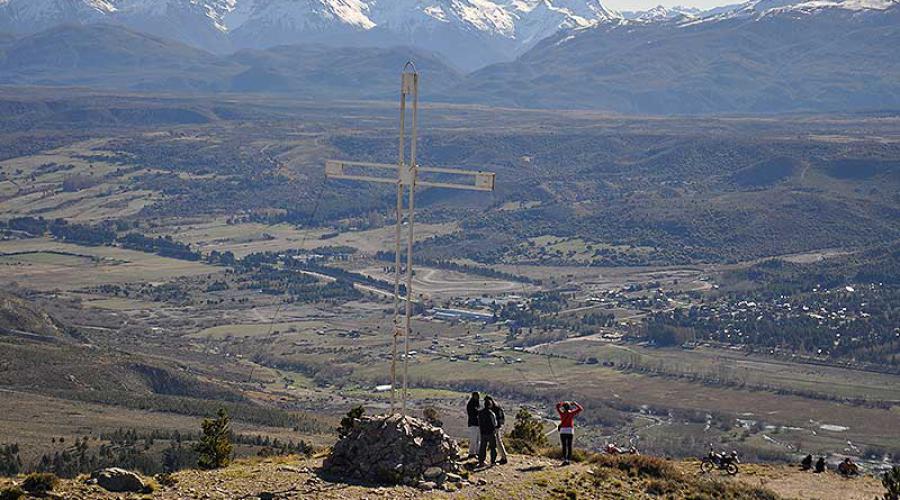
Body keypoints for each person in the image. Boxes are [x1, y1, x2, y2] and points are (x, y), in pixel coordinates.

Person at [556, 400, 584, 465]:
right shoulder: (571, 413)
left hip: (563, 431)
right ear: (569, 407)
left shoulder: (562, 413)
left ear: (564, 407)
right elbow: (580, 409)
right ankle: (568, 460)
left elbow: (557, 406)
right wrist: (574, 403)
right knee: (569, 446)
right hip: (570, 431)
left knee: (564, 446)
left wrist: (562, 403)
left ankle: (565, 459)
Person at [484, 396, 508, 465]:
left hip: (496, 428)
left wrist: (498, 426)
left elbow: (501, 418)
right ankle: (502, 457)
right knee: (496, 443)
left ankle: (504, 458)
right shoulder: (493, 408)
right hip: (492, 428)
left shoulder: (497, 408)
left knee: (498, 442)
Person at [477, 398, 498, 467]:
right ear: (490, 405)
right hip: (490, 432)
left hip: (483, 432)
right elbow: (494, 423)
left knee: (482, 447)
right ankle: (493, 461)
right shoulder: (491, 413)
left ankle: (481, 461)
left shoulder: (480, 413)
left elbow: (479, 422)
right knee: (493, 447)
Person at [466, 392, 480, 459]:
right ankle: (471, 453)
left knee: (478, 440)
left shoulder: (476, 403)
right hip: (473, 423)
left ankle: (478, 452)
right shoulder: (471, 404)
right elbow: (473, 413)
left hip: (477, 424)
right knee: (473, 439)